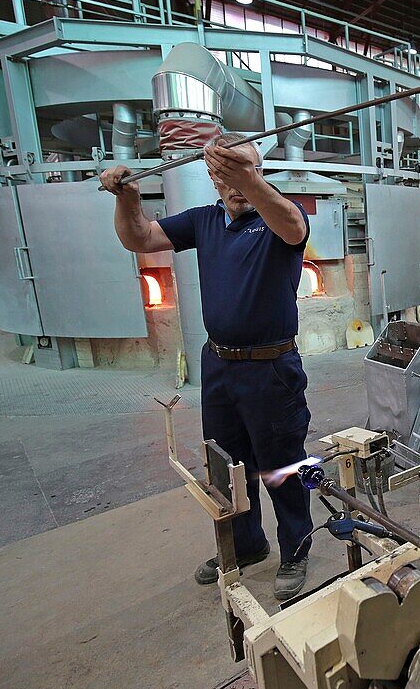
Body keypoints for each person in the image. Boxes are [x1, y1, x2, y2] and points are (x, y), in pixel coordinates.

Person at [100, 133, 314, 600]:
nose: (236, 184)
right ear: (214, 178)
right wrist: (128, 199)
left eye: (247, 171)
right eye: (226, 174)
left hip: (270, 369)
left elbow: (294, 226)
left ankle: (296, 548)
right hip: (218, 367)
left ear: (259, 172)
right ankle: (247, 544)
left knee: (281, 465)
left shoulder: (279, 215)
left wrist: (249, 178)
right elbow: (139, 238)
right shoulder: (204, 221)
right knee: (227, 465)